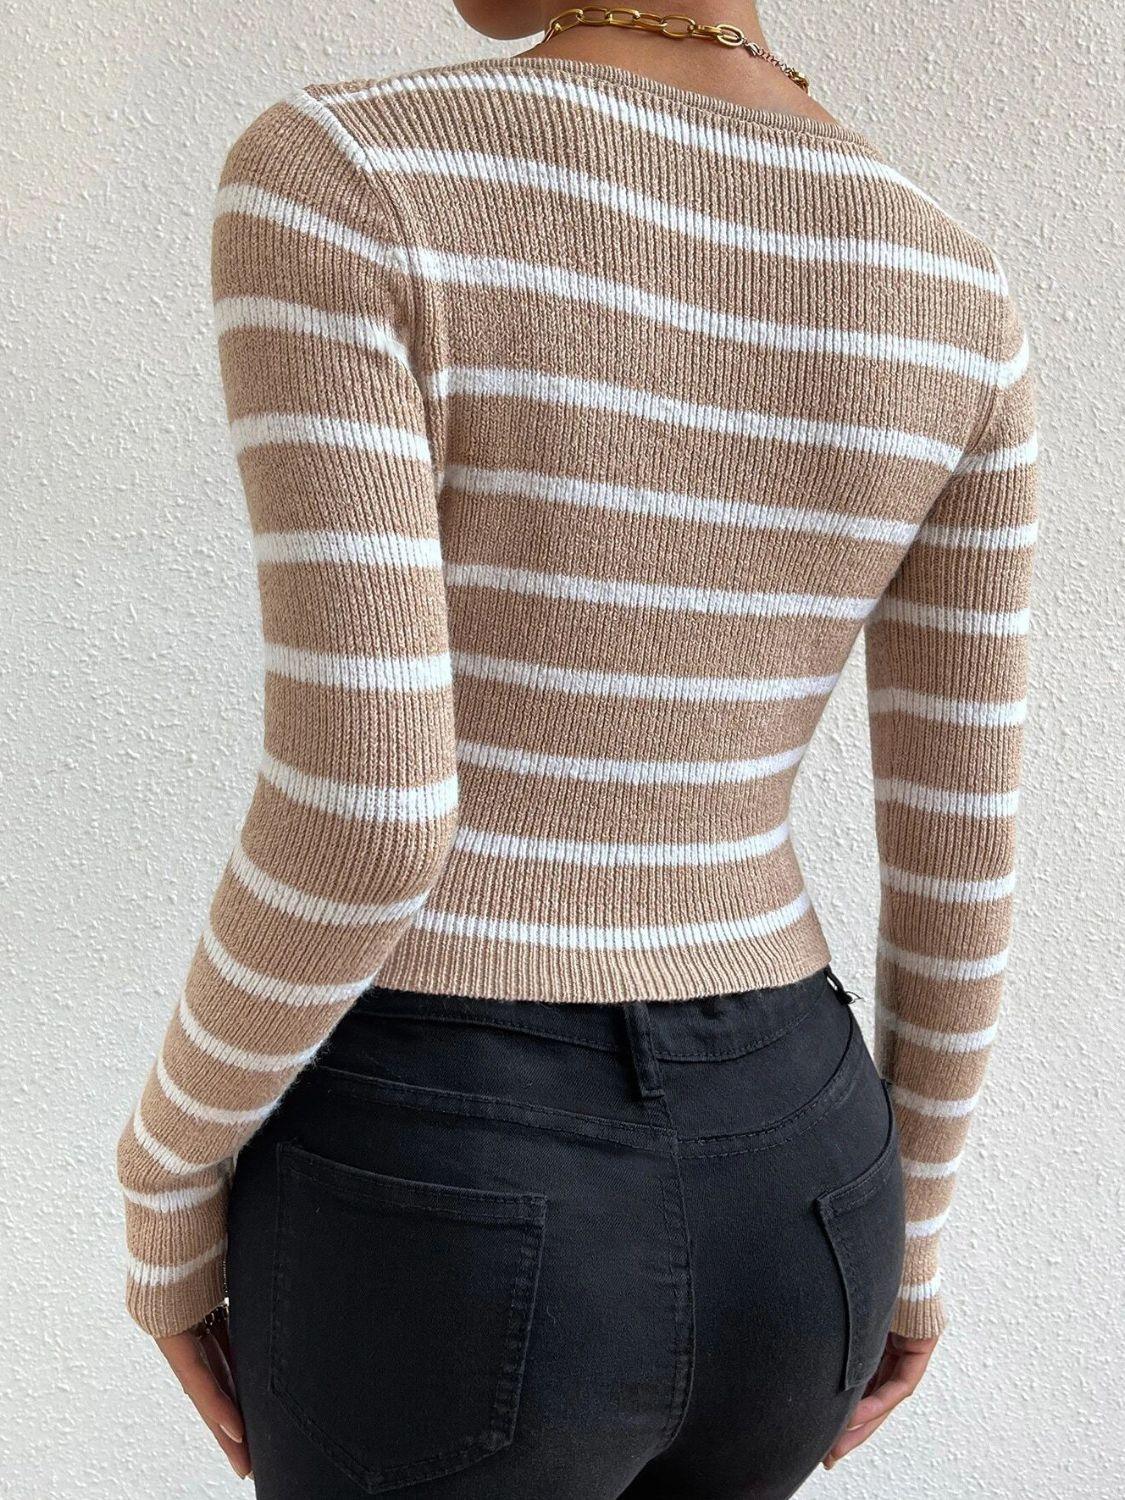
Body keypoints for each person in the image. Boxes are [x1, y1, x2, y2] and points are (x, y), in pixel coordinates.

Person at [114, 2, 1039, 1494]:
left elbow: (367, 817)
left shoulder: (348, 173)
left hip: (451, 1172)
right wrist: (909, 1237)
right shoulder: (956, 288)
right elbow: (961, 851)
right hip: (804, 1179)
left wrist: (165, 1170)